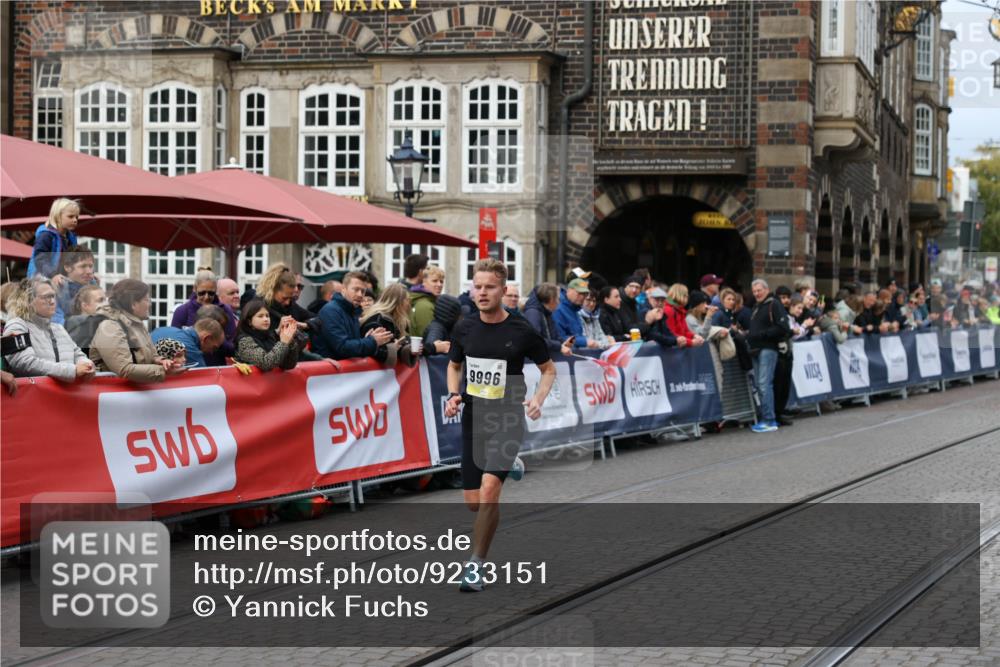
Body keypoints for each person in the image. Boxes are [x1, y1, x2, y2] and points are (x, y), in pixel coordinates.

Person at [443, 258, 556, 592]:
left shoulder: (521, 330)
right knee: (473, 502)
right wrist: (453, 394)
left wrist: (538, 398)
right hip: (474, 417)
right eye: (477, 286)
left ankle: (475, 565)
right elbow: (454, 365)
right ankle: (513, 464)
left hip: (507, 417)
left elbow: (549, 368)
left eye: (489, 287)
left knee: (491, 491)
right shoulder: (464, 327)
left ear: (503, 290)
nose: (482, 292)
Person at [89, 279, 185, 383]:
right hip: (110, 393)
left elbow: (152, 355)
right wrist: (163, 372)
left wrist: (163, 362)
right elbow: (124, 369)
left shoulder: (137, 324)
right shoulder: (110, 326)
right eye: (146, 300)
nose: (149, 304)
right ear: (133, 304)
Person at [3, 278, 95, 382]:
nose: (52, 301)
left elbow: (77, 354)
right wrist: (72, 371)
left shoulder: (58, 328)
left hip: (65, 396)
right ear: (28, 300)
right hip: (33, 396)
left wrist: (87, 365)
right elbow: (24, 362)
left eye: (53, 296)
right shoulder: (17, 325)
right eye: (46, 297)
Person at [314, 271, 393, 360]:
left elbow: (351, 344)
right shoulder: (331, 311)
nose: (360, 294)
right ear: (343, 289)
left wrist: (367, 339)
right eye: (356, 289)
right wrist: (372, 341)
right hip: (329, 372)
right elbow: (342, 347)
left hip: (343, 371)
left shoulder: (353, 311)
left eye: (363, 291)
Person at [747, 279, 791, 433]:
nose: (757, 293)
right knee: (760, 385)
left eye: (759, 290)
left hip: (768, 349)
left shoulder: (774, 304)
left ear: (766, 289)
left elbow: (783, 327)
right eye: (754, 291)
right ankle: (767, 418)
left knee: (765, 385)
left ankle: (769, 420)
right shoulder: (757, 306)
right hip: (756, 350)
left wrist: (762, 335)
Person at [171, 268, 238, 348]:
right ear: (194, 289)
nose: (206, 297)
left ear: (216, 290)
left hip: (216, 358)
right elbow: (174, 342)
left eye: (211, 293)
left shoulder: (225, 309)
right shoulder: (182, 311)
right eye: (202, 293)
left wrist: (216, 339)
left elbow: (233, 344)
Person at [234, 298, 300, 371]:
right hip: (249, 382)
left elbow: (288, 365)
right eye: (260, 316)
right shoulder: (244, 341)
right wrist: (284, 343)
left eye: (267, 316)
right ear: (249, 321)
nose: (266, 319)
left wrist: (290, 341)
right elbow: (266, 363)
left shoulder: (270, 336)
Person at [27, 198, 80, 283]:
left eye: (77, 217)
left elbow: (75, 260)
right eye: (70, 216)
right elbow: (40, 259)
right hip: (42, 280)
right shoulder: (46, 235)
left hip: (61, 280)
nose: (75, 220)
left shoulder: (71, 237)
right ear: (58, 216)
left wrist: (86, 273)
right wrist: (53, 275)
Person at [360, 283, 412, 365]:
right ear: (398, 301)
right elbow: (374, 351)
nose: (408, 303)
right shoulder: (379, 320)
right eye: (407, 299)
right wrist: (393, 349)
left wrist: (409, 349)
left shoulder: (398, 320)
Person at [151, 319, 226, 368]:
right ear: (206, 338)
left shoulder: (163, 329)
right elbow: (204, 379)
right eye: (214, 348)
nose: (212, 352)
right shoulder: (190, 349)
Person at [523, 283, 574, 354]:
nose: (559, 302)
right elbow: (534, 340)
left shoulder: (547, 312)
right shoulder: (533, 313)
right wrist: (559, 347)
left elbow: (553, 336)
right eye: (557, 299)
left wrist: (563, 343)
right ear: (551, 299)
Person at [54, 246, 97, 325]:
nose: (89, 271)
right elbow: (57, 322)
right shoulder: (59, 288)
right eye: (83, 266)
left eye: (90, 266)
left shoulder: (93, 286)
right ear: (67, 267)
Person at [554, 278, 599, 348]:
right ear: (569, 291)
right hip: (563, 356)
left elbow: (575, 336)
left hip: (574, 354)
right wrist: (584, 341)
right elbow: (559, 338)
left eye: (585, 294)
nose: (582, 297)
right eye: (579, 293)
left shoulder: (574, 309)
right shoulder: (558, 309)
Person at [65, 284, 106, 351]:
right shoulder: (86, 325)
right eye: (100, 300)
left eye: (105, 300)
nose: (106, 304)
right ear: (85, 305)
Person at [409, 265, 444, 337]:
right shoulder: (424, 306)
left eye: (441, 281)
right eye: (434, 281)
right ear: (424, 282)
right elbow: (429, 337)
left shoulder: (427, 300)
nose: (439, 284)